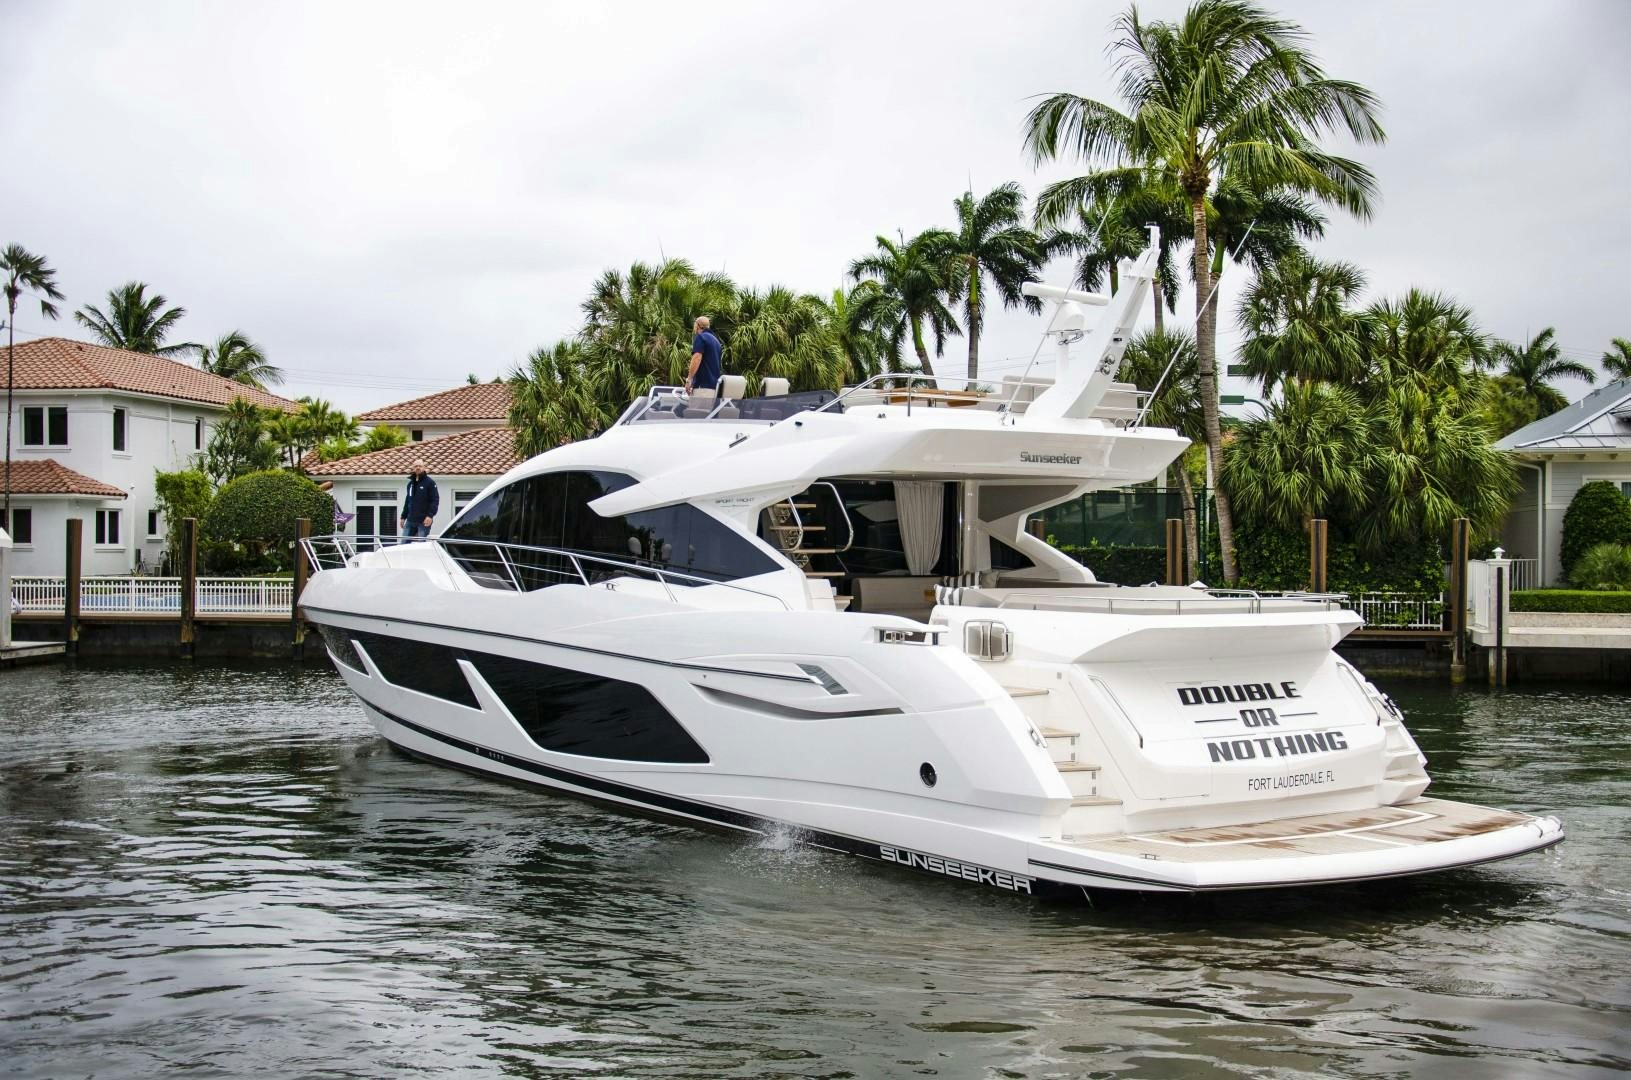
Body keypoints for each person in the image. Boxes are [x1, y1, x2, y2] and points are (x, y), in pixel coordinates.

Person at [401, 459, 439, 540]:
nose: (418, 467)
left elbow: (435, 500)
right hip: (410, 520)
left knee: (421, 544)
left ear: (424, 468)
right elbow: (408, 501)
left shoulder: (430, 483)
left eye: (420, 466)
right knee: (403, 545)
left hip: (424, 521)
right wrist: (403, 517)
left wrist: (430, 516)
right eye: (416, 466)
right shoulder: (410, 484)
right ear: (413, 468)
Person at [684, 315, 722, 394]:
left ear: (698, 326)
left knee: (696, 407)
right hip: (714, 388)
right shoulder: (716, 341)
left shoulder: (701, 337)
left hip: (702, 387)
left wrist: (689, 380)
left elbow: (697, 358)